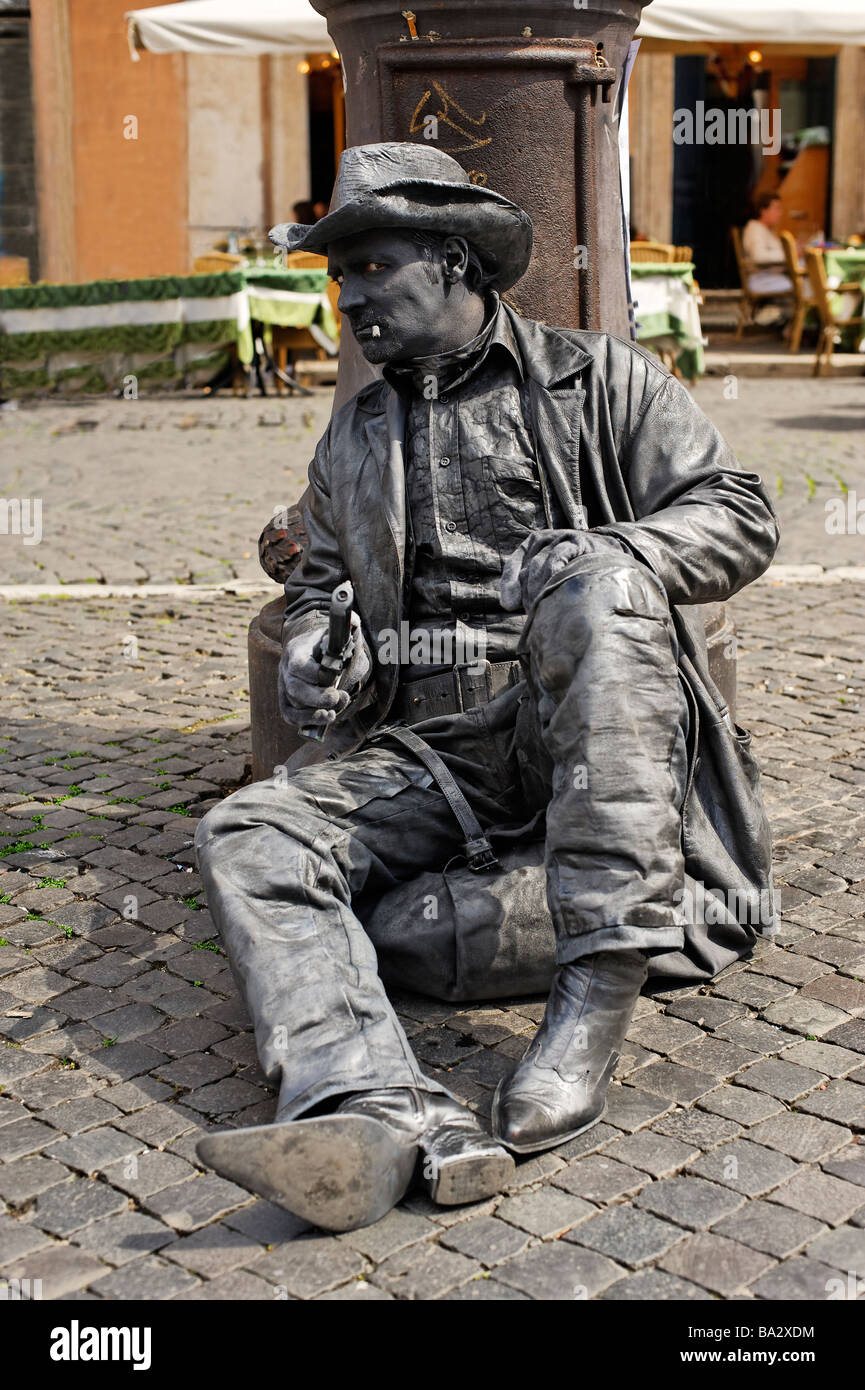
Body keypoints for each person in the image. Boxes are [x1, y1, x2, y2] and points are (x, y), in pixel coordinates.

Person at [194, 142, 779, 1233]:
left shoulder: (599, 377)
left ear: (456, 262)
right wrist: (325, 637)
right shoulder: (356, 432)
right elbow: (320, 579)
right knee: (251, 834)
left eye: (375, 267)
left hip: (587, 721)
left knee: (599, 590)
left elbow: (737, 511)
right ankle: (378, 1106)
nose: (350, 298)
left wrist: (612, 555)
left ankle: (595, 989)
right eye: (340, 277)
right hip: (433, 751)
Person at [742, 192, 793, 296]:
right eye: (776, 209)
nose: (780, 213)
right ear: (764, 211)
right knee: (802, 285)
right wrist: (789, 255)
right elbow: (759, 256)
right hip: (762, 280)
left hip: (771, 276)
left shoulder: (767, 230)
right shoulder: (755, 229)